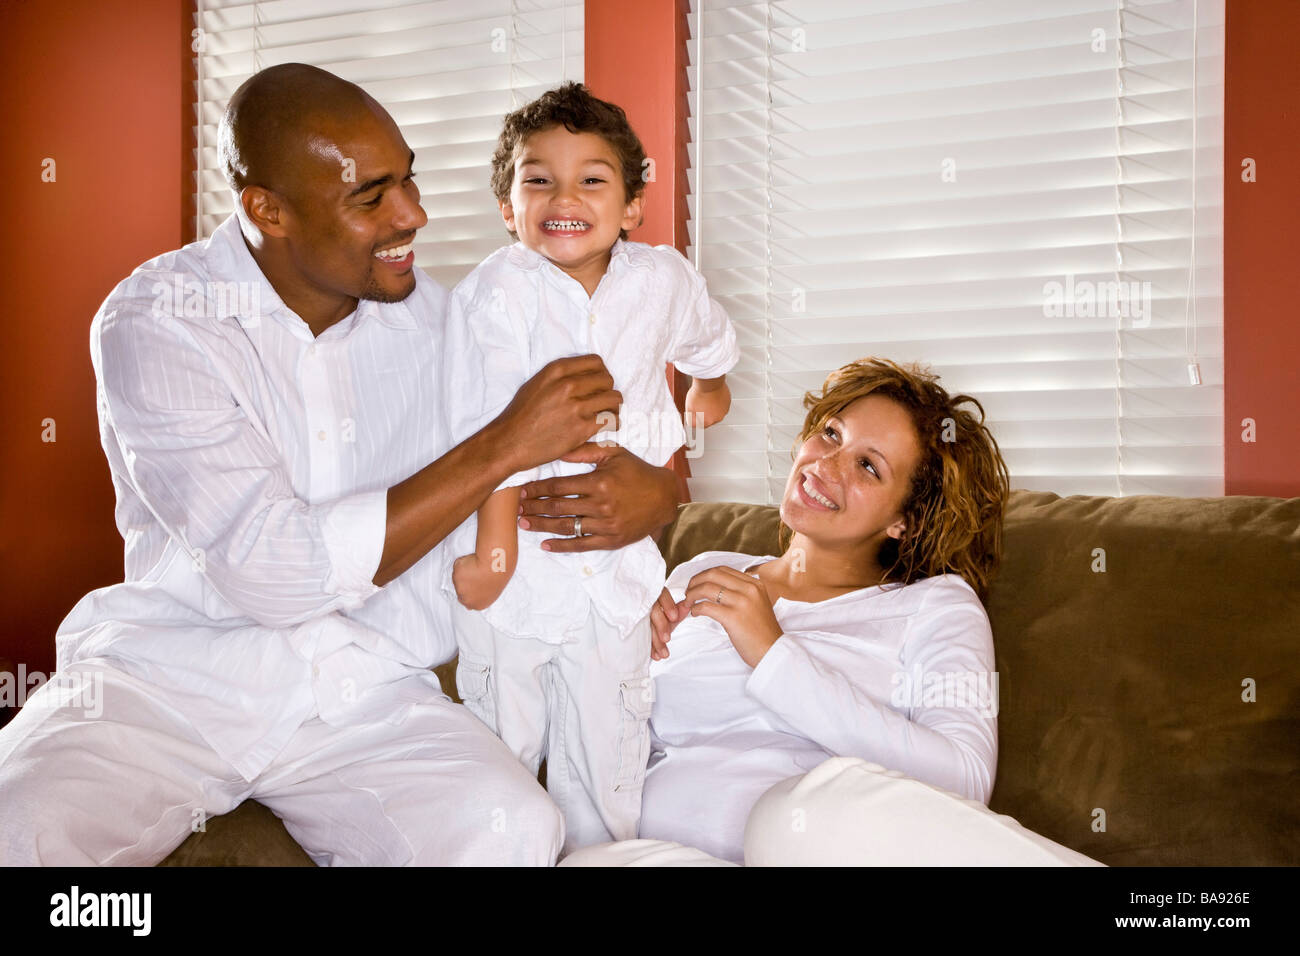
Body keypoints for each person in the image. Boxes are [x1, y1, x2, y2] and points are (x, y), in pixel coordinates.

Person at [0, 64, 681, 867]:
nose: (413, 216)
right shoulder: (160, 321)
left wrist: (657, 495)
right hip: (166, 682)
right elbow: (274, 573)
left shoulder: (441, 319)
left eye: (410, 182)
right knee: (20, 837)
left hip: (369, 690)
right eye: (372, 197)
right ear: (266, 209)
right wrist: (504, 441)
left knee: (514, 829)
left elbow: (569, 452)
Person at [441, 83, 738, 853]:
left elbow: (706, 335)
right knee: (501, 755)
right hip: (518, 571)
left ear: (633, 204)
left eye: (592, 179)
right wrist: (496, 551)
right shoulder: (494, 299)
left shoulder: (662, 281)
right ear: (507, 208)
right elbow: (486, 434)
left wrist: (709, 382)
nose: (563, 197)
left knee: (609, 758)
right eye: (537, 180)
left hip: (615, 572)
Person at [634, 358, 1011, 864]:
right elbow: (614, 736)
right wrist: (620, 639)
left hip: (816, 847)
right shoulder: (702, 571)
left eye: (868, 465)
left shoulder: (937, 605)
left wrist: (771, 653)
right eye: (831, 434)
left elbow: (964, 780)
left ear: (904, 520)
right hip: (662, 852)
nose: (826, 466)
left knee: (788, 815)